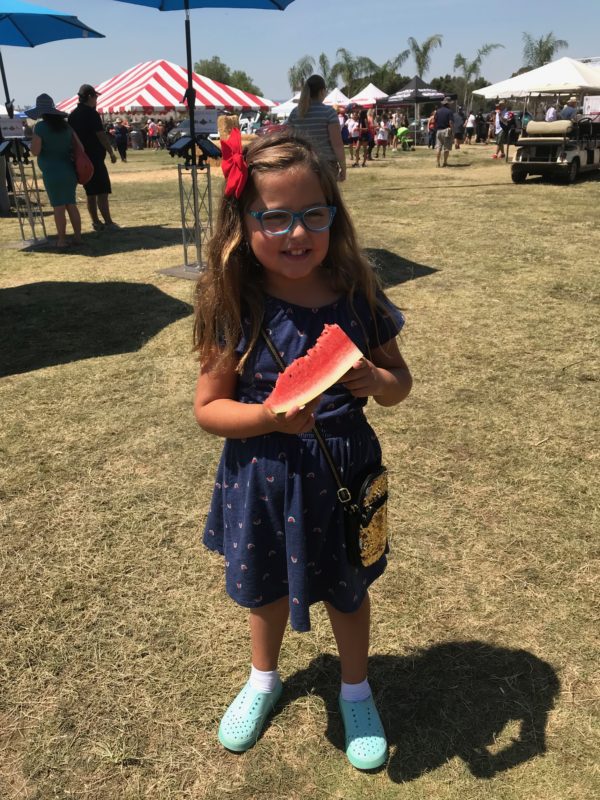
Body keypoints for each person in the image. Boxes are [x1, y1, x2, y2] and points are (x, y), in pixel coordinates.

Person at [193, 128, 412, 770]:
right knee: (264, 588)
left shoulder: (359, 295)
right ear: (243, 224)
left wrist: (377, 381)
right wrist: (268, 415)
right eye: (276, 217)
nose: (297, 233)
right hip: (263, 473)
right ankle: (263, 679)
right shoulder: (235, 305)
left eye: (314, 214)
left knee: (349, 588)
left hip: (344, 469)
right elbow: (209, 408)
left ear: (333, 216)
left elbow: (400, 383)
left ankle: (356, 690)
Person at [26, 93, 82, 249]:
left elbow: (35, 151)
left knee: (58, 207)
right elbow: (80, 147)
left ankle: (62, 240)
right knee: (71, 204)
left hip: (52, 172)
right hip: (68, 170)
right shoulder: (66, 126)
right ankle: (78, 237)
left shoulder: (40, 127)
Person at [68, 84, 118, 231]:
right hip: (95, 158)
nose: (96, 99)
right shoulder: (91, 113)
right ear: (89, 97)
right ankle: (108, 222)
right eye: (95, 96)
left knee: (90, 193)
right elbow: (101, 135)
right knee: (102, 191)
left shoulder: (72, 115)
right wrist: (111, 152)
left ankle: (96, 222)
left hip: (81, 159)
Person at [287, 74, 346, 182]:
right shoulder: (329, 112)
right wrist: (343, 168)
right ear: (322, 91)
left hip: (303, 164)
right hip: (326, 165)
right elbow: (337, 144)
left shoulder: (295, 113)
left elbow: (290, 140)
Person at [433, 97, 454, 167]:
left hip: (438, 131)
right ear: (448, 104)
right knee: (446, 148)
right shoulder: (449, 111)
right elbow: (450, 122)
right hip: (446, 130)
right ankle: (445, 162)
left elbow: (434, 120)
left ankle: (437, 163)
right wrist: (452, 130)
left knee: (438, 147)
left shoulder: (437, 111)